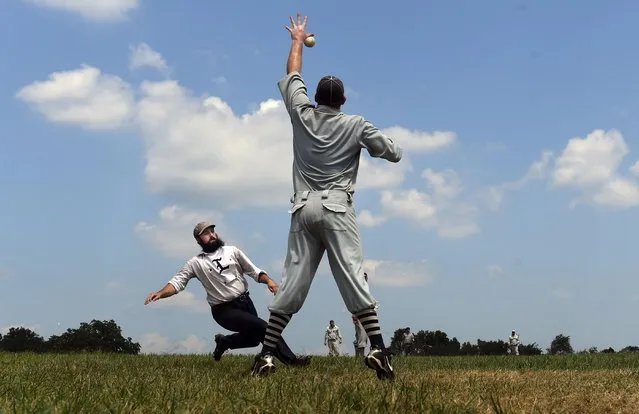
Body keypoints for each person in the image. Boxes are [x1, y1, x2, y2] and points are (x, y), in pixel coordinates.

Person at [250, 13, 402, 380]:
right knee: (351, 275)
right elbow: (392, 153)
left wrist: (298, 40)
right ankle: (379, 349)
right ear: (344, 100)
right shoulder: (356, 123)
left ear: (315, 98)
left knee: (293, 281)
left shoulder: (301, 114)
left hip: (303, 208)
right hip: (336, 207)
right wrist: (372, 144)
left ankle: (267, 354)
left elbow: (292, 75)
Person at [144, 221, 310, 367]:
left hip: (246, 303)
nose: (211, 235)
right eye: (205, 234)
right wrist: (160, 293)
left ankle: (225, 342)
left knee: (253, 339)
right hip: (224, 310)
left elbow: (254, 271)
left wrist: (270, 282)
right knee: (263, 327)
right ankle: (292, 362)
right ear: (198, 240)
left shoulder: (232, 251)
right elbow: (177, 283)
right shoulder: (195, 263)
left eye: (212, 231)